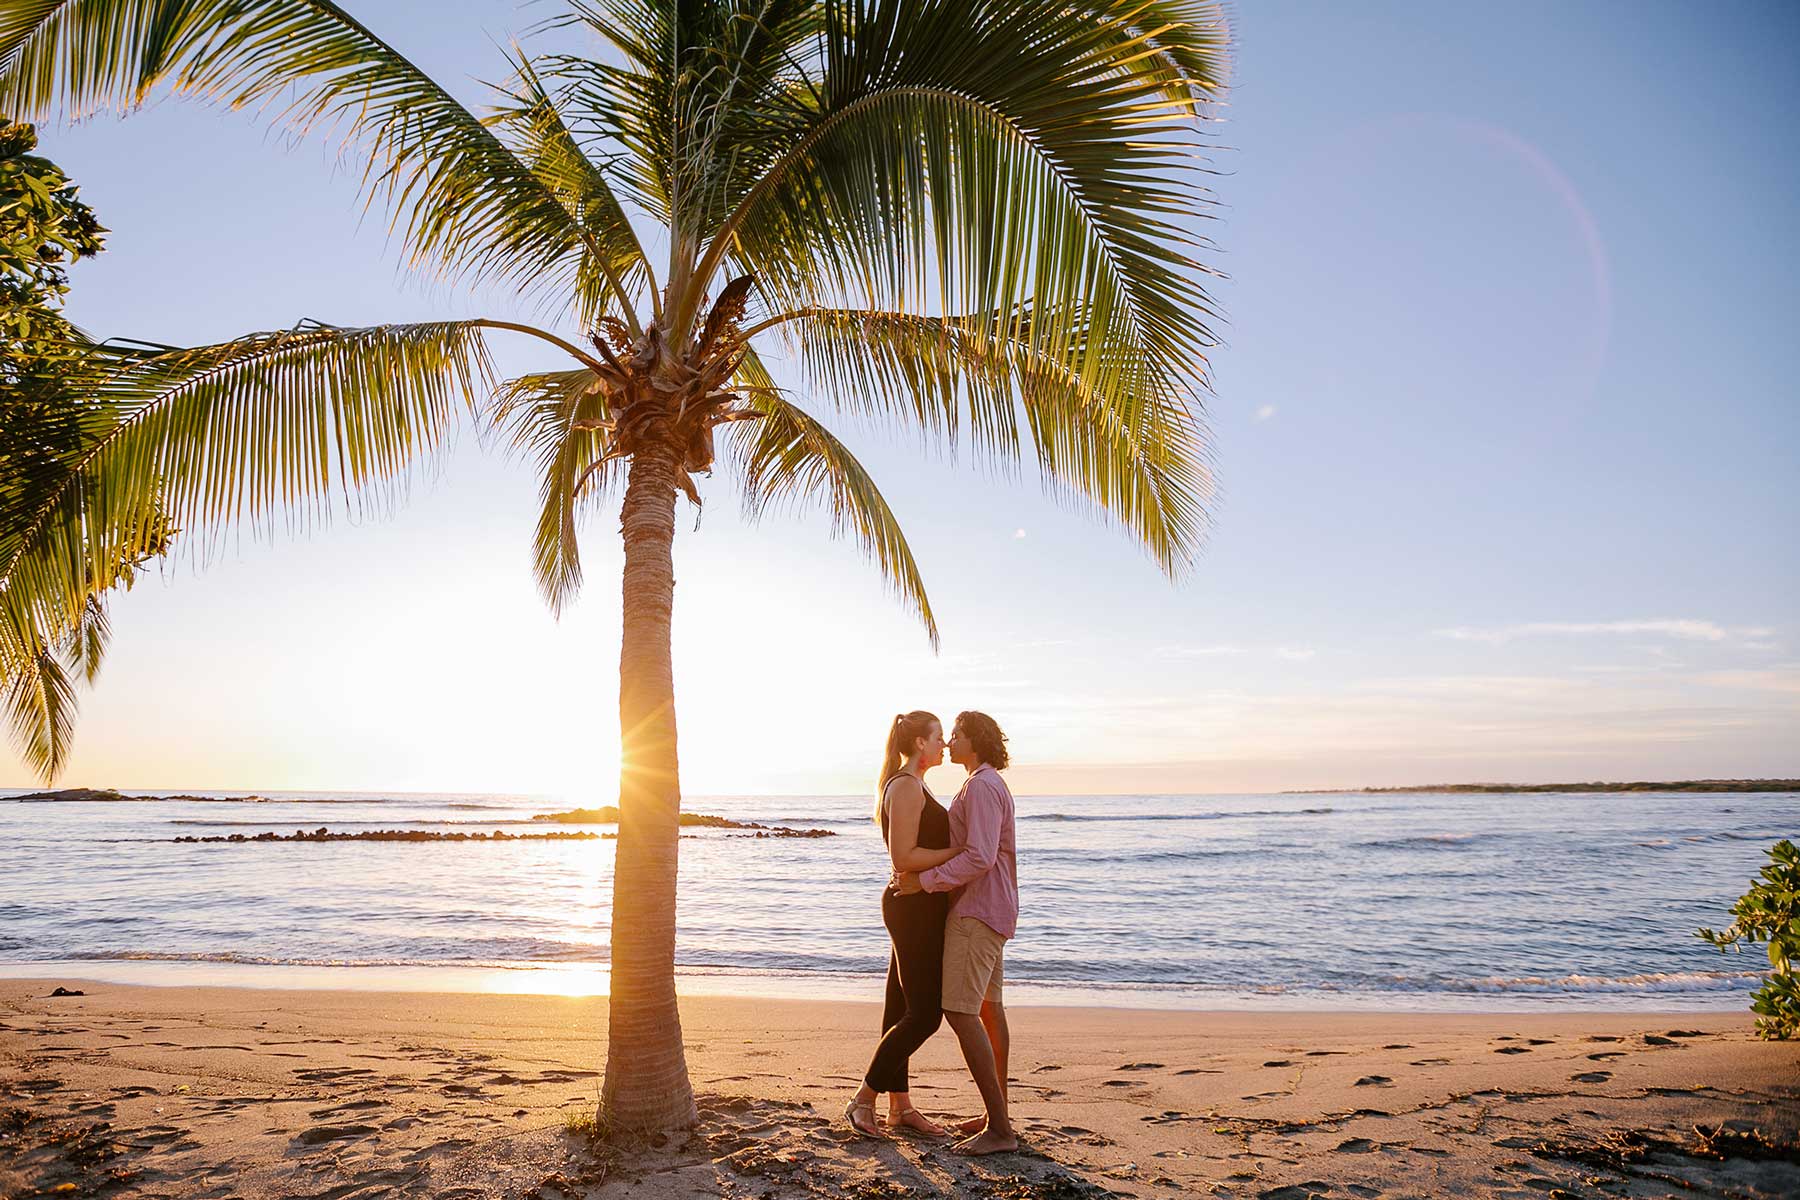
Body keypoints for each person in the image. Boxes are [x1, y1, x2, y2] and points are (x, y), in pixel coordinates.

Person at [891, 710, 1019, 1156]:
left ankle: (1000, 1129)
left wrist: (923, 882)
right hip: (992, 908)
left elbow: (979, 856)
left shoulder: (981, 786)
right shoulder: (983, 783)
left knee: (962, 1013)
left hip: (976, 912)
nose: (948, 743)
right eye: (945, 737)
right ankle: (995, 1115)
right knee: (988, 1010)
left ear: (976, 740)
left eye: (957, 735)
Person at [843, 710, 965, 1139]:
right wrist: (958, 852)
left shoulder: (914, 784)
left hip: (918, 906)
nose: (943, 745)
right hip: (911, 908)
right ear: (918, 744)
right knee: (925, 1015)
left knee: (899, 1008)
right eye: (937, 738)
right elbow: (903, 859)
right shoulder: (907, 787)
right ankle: (862, 1100)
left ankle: (900, 1108)